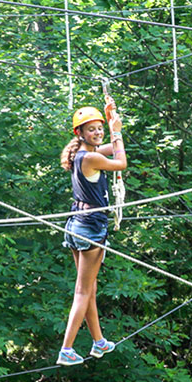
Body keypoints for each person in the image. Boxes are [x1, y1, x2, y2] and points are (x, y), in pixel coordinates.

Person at [56, 96, 127, 366]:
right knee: (83, 292)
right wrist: (116, 130)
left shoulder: (82, 154)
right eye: (92, 130)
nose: (97, 133)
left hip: (77, 224)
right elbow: (121, 162)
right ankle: (67, 349)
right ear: (80, 133)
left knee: (89, 288)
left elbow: (115, 148)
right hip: (90, 227)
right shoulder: (91, 158)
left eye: (99, 129)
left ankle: (98, 342)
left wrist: (111, 121)